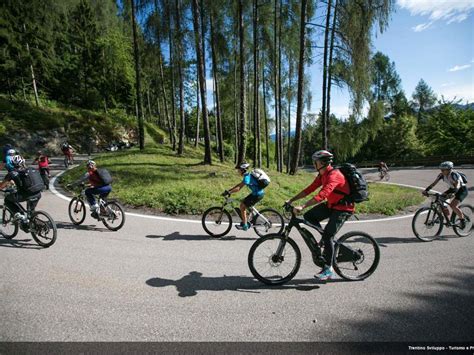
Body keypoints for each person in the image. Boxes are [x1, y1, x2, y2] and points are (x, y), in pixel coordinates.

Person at [286, 150, 354, 281]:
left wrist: (303, 206)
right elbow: (309, 189)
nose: (314, 164)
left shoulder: (334, 175)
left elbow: (322, 195)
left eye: (315, 162)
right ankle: (325, 240)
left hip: (343, 208)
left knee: (328, 235)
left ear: (322, 162)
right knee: (309, 217)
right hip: (332, 206)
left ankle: (328, 269)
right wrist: (291, 200)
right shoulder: (322, 175)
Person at [423, 161, 468, 229]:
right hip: (452, 189)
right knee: (439, 199)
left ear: (449, 169)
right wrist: (426, 190)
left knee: (453, 205)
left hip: (461, 190)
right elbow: (434, 183)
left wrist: (452, 194)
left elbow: (457, 186)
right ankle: (442, 216)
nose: (442, 171)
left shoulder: (454, 175)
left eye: (443, 170)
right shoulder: (441, 175)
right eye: (441, 169)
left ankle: (462, 220)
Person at [223, 162, 265, 231]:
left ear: (243, 170)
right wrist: (229, 190)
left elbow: (239, 188)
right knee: (243, 202)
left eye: (239, 170)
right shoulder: (247, 176)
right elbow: (239, 184)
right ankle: (250, 218)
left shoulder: (247, 177)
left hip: (258, 194)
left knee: (242, 206)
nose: (238, 171)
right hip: (256, 193)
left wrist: (229, 192)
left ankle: (245, 225)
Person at [0, 155, 41, 221]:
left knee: (7, 200)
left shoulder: (12, 173)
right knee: (31, 212)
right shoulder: (31, 169)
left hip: (26, 195)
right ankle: (35, 225)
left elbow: (2, 186)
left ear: (12, 163)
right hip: (37, 193)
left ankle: (19, 215)